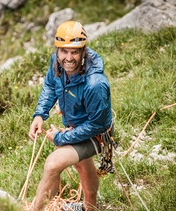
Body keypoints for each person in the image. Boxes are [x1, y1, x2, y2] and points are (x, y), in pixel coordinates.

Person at [28, 21, 113, 211]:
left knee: (52, 164)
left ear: (83, 51)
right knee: (83, 167)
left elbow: (95, 125)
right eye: (63, 51)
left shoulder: (95, 84)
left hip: (96, 133)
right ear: (57, 50)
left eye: (74, 52)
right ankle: (90, 207)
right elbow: (50, 85)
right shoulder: (57, 63)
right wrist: (40, 115)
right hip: (74, 126)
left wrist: (60, 137)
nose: (68, 58)